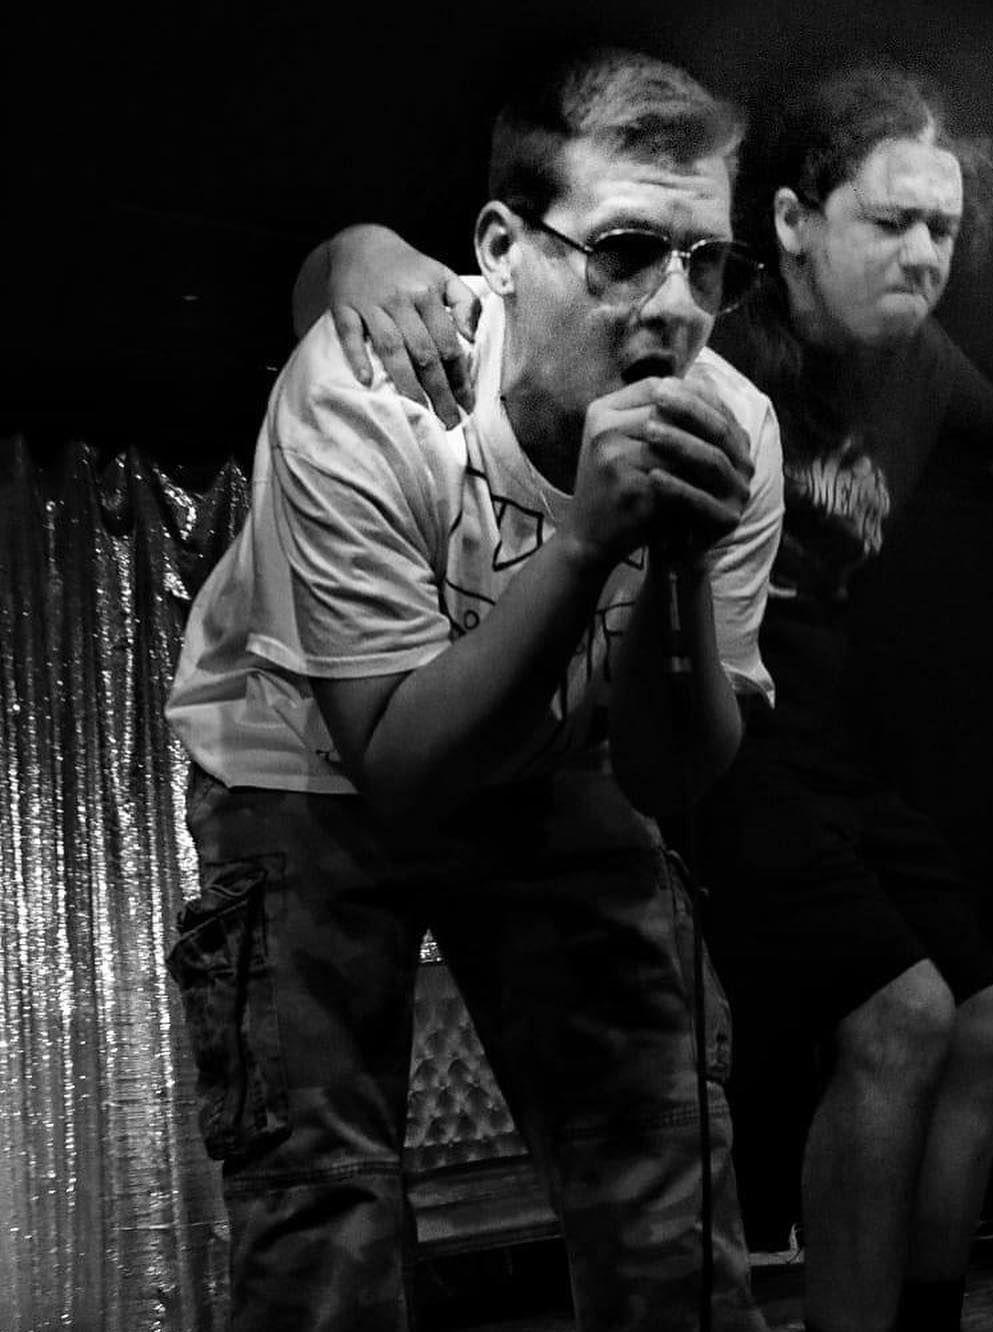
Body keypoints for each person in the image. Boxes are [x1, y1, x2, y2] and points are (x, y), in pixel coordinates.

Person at [295, 61, 993, 1332]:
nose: (924, 254)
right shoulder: (702, 332)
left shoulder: (883, 371)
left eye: (944, 228)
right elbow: (451, 293)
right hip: (571, 737)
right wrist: (346, 256)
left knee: (988, 1018)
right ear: (794, 226)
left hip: (762, 717)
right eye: (892, 220)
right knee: (900, 1018)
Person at [165, 47, 785, 1332]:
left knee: (662, 1155)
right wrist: (586, 545)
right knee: (322, 1206)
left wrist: (674, 565)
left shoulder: (736, 427)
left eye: (708, 262)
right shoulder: (369, 397)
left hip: (552, 759)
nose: (676, 307)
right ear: (502, 248)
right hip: (305, 764)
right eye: (627, 251)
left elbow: (670, 773)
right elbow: (396, 767)